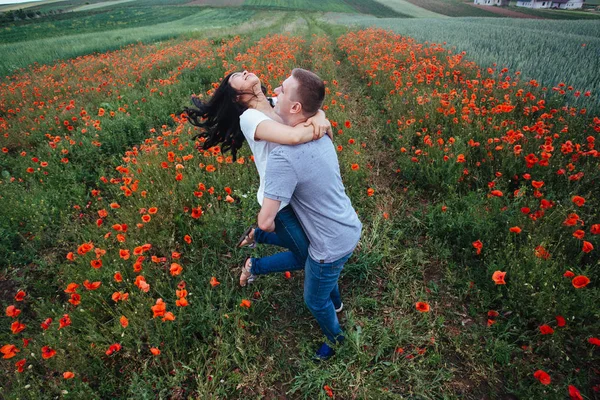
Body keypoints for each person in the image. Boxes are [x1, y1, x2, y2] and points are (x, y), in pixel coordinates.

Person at [183, 70, 332, 289]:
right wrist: (321, 122)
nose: (244, 71)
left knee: (310, 245)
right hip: (279, 202)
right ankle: (253, 266)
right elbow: (293, 136)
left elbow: (306, 109)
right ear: (237, 97)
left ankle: (257, 235)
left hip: (300, 192)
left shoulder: (275, 102)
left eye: (242, 71)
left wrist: (319, 115)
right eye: (238, 78)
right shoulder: (250, 118)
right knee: (307, 255)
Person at [257, 68, 362, 361]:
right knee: (328, 278)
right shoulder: (321, 130)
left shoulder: (283, 157)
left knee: (314, 299)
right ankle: (338, 305)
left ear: (295, 108)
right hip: (349, 225)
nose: (274, 90)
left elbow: (266, 221)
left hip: (329, 246)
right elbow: (316, 115)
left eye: (282, 88)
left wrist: (262, 228)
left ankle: (337, 338)